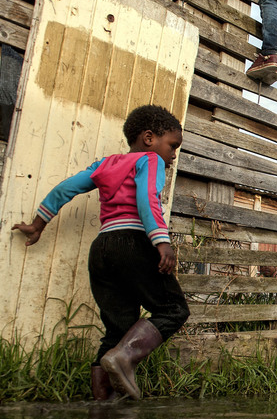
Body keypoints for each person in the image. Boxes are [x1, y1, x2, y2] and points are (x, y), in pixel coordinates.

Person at [12, 105, 191, 401]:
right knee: (173, 309)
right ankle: (125, 358)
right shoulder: (150, 160)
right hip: (134, 242)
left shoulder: (104, 164)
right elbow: (147, 198)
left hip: (103, 249)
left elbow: (65, 189)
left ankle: (104, 406)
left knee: (116, 331)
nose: (173, 155)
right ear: (149, 138)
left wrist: (38, 223)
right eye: (172, 146)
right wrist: (162, 242)